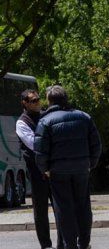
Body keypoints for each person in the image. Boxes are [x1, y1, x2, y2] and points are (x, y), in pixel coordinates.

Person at [34, 85, 101, 249]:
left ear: (49, 101)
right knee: (83, 206)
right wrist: (90, 164)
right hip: (81, 169)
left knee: (63, 208)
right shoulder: (84, 117)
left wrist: (45, 170)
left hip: (58, 171)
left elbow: (40, 152)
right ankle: (84, 242)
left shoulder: (45, 121)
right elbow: (96, 145)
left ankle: (69, 244)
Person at [16, 89, 61, 249]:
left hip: (53, 168)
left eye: (38, 100)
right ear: (25, 103)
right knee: (41, 211)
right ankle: (46, 245)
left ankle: (61, 243)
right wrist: (51, 144)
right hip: (37, 172)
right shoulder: (22, 122)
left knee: (60, 208)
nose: (37, 103)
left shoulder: (46, 116)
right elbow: (33, 144)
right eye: (33, 101)